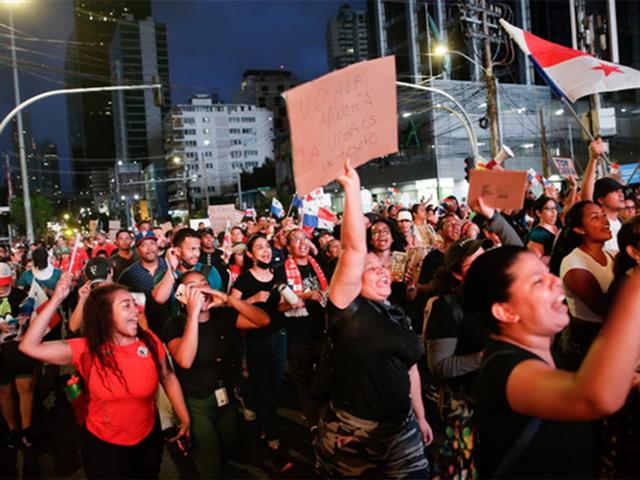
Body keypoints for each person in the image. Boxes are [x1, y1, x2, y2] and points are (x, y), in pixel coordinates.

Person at [464, 246, 640, 478]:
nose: (555, 281)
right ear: (506, 312)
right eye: (537, 281)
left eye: (548, 271)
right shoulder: (506, 370)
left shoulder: (547, 354)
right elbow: (591, 397)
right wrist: (635, 288)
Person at [315, 161, 432, 478]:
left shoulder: (397, 314)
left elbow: (409, 367)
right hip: (352, 434)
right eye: (371, 269)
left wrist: (419, 415)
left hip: (402, 428)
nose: (382, 272)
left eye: (383, 267)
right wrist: (353, 189)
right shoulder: (347, 309)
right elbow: (353, 249)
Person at [19, 273, 191, 479]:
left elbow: (168, 376)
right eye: (126, 305)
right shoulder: (86, 348)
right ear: (106, 314)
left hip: (148, 439)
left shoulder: (150, 341)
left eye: (134, 304)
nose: (136, 310)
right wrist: (57, 299)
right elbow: (29, 346)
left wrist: (184, 417)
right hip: (103, 445)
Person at [165, 270, 269, 478]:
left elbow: (263, 320)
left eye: (204, 284)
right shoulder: (175, 324)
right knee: (208, 457)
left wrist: (228, 299)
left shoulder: (224, 315)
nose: (201, 290)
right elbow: (184, 360)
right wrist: (194, 314)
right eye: (193, 288)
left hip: (226, 396)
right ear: (182, 295)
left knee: (226, 445)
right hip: (197, 402)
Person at [230, 233, 292, 472]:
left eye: (267, 246)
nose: (265, 251)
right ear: (250, 254)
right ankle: (273, 442)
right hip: (256, 340)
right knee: (265, 388)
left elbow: (280, 306)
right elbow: (230, 307)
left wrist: (291, 302)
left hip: (279, 336)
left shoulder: (278, 273)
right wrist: (253, 300)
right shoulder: (244, 280)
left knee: (275, 386)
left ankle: (261, 413)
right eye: (259, 247)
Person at [551, 201, 614, 362]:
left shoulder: (613, 255)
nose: (605, 221)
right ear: (580, 229)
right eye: (595, 218)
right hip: (594, 344)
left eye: (604, 216)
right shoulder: (574, 264)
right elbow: (605, 309)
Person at [277, 228, 329, 428]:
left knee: (325, 372)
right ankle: (311, 418)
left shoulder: (319, 265)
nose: (302, 243)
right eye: (295, 240)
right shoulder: (282, 270)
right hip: (298, 332)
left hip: (322, 328)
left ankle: (324, 409)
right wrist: (306, 296)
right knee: (303, 376)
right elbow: (280, 305)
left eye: (304, 238)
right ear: (288, 247)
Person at [152, 228, 224, 317]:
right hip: (179, 327)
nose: (197, 254)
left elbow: (222, 302)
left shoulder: (209, 271)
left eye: (198, 249)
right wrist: (172, 268)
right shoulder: (164, 276)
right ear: (177, 251)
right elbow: (159, 298)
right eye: (192, 249)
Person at [0, 263, 34, 449]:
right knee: (4, 390)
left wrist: (26, 320)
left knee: (25, 386)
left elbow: (34, 319)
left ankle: (26, 428)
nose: (2, 288)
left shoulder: (20, 296)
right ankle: (13, 429)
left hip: (19, 348)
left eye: (5, 284)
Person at [525, 196, 559, 263]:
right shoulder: (537, 234)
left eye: (555, 208)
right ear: (538, 213)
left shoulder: (556, 227)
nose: (554, 212)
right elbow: (537, 261)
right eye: (549, 209)